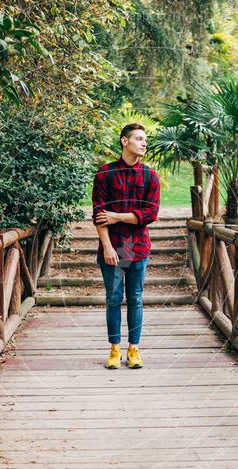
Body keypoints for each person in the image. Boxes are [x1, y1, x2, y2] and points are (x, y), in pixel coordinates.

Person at [91, 123, 161, 369]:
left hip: (138, 247)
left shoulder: (150, 176)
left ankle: (134, 349)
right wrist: (108, 247)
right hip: (112, 247)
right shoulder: (105, 174)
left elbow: (150, 213)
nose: (144, 143)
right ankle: (114, 350)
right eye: (139, 139)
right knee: (113, 299)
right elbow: (99, 215)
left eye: (145, 139)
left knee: (136, 298)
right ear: (124, 141)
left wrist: (118, 216)